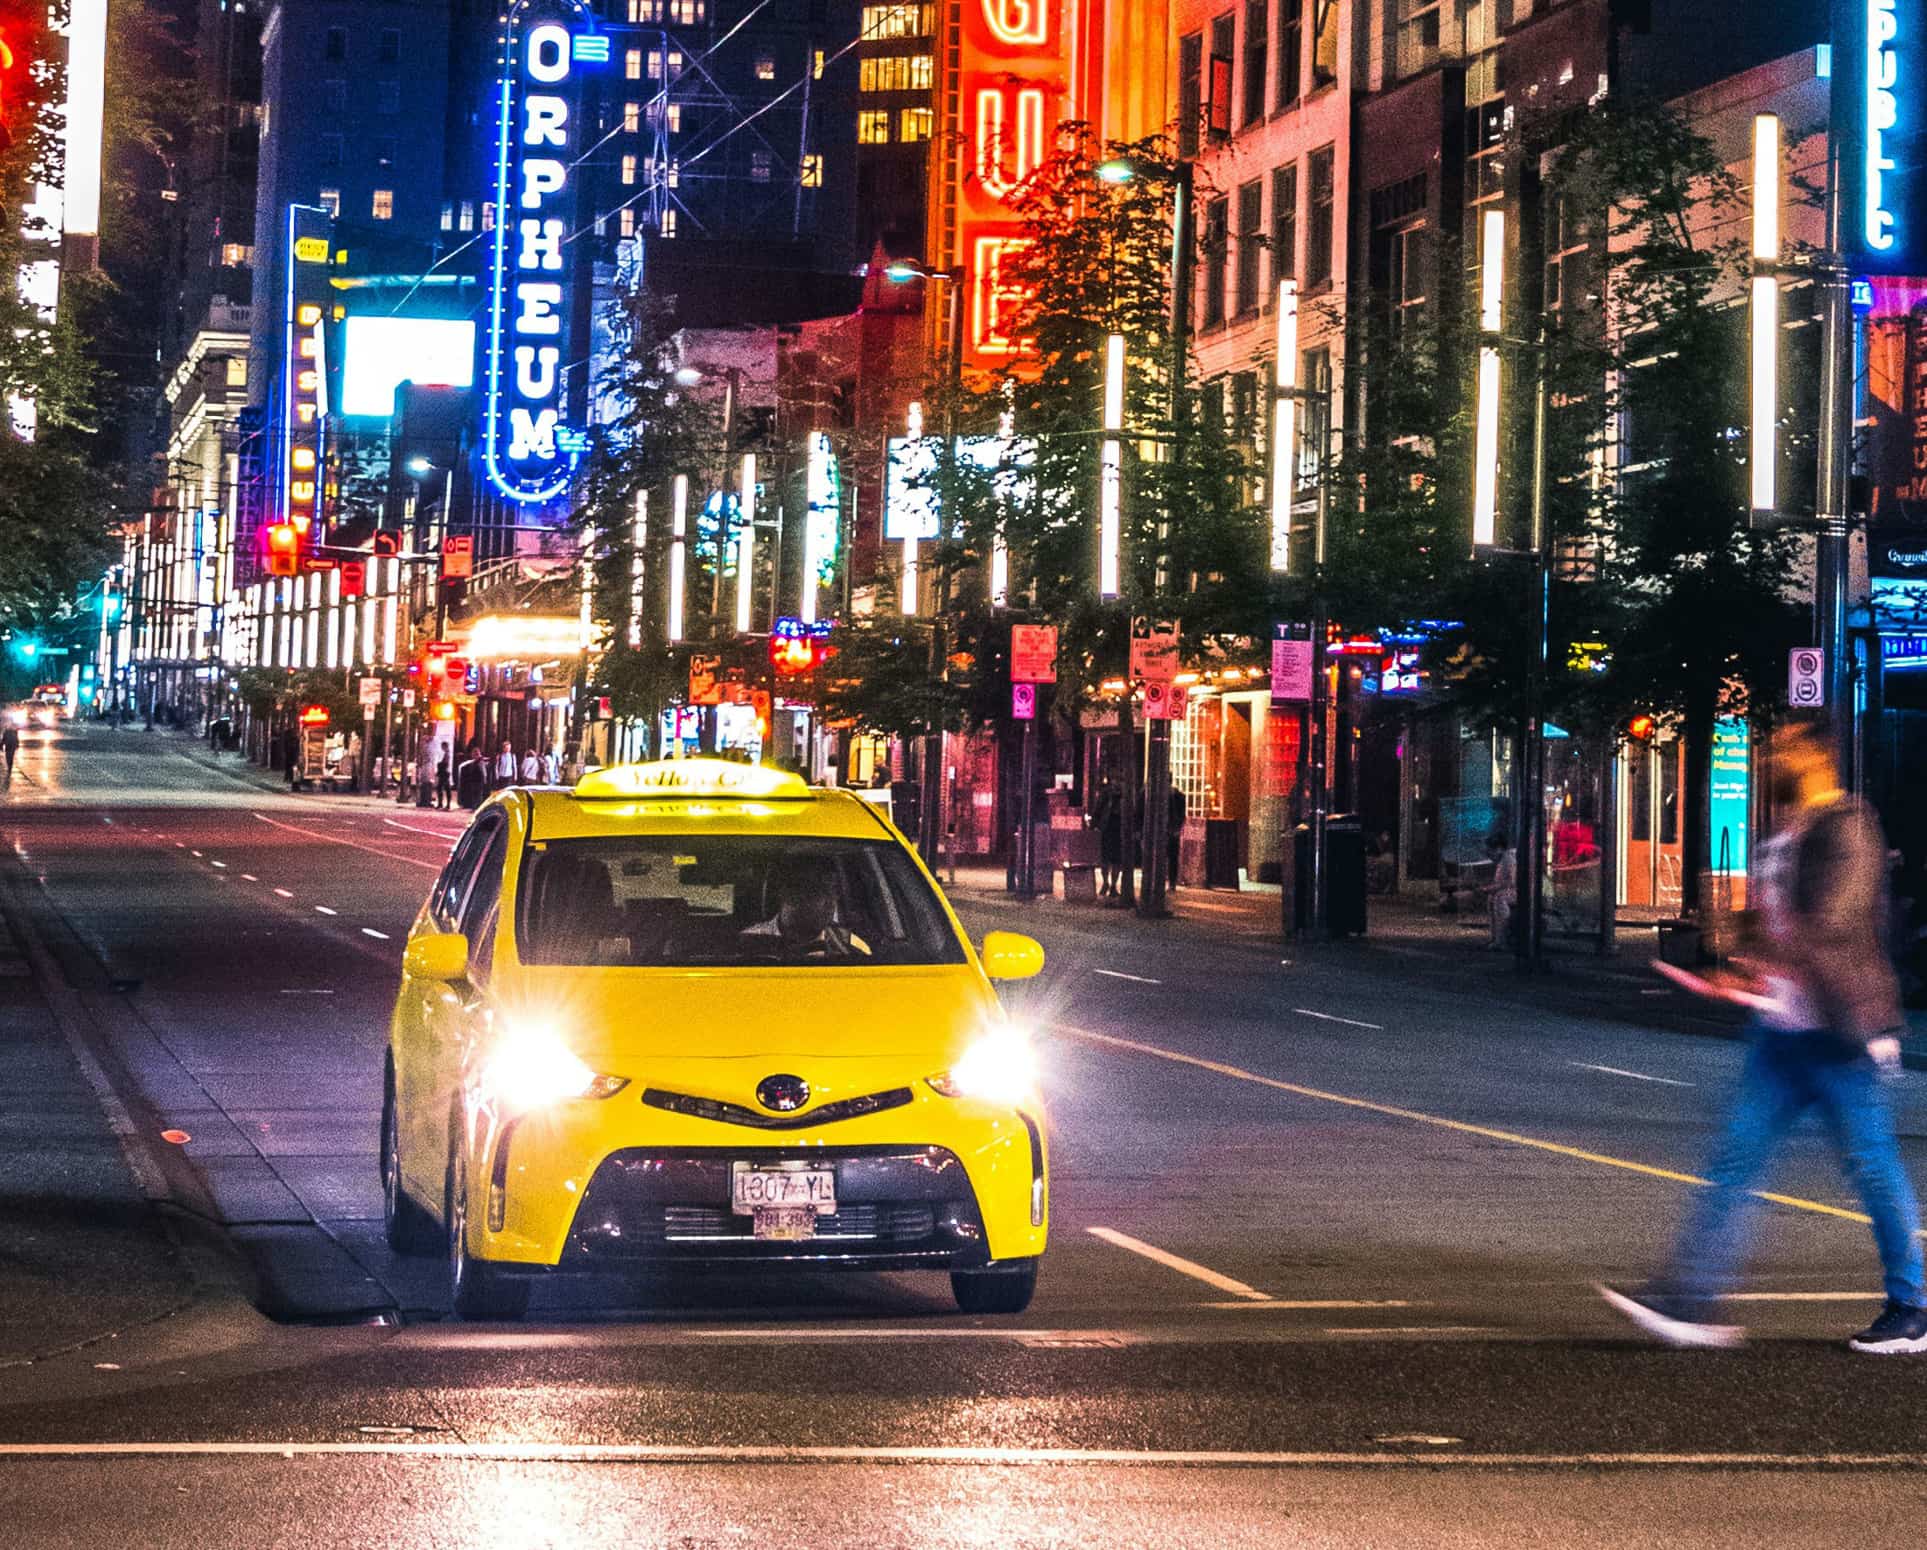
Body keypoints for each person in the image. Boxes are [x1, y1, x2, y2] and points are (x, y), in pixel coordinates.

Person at [1598, 721, 1926, 1354]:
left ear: (1817, 757)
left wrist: (1755, 968)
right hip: (1780, 1029)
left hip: (1838, 1032)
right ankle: (1689, 1301)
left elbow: (1830, 922)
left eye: (1786, 745)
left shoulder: (1847, 826)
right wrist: (1739, 961)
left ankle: (1911, 1307)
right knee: (1736, 1158)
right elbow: (1770, 916)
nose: (1773, 753)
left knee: (1871, 1166)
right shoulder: (1786, 828)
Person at [740, 854, 870, 958]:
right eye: (819, 890)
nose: (831, 900)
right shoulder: (748, 945)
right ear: (789, 894)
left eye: (834, 890)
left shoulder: (851, 947)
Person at [1484, 833, 1516, 951]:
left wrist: (1491, 888)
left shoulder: (1508, 859)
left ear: (1499, 848)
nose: (1488, 853)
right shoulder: (1503, 860)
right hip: (1509, 890)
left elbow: (1511, 882)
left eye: (1490, 849)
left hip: (1516, 891)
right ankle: (1495, 937)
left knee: (1499, 898)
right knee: (1492, 897)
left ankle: (1501, 940)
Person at [1092, 778, 1122, 899]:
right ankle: (1106, 883)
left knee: (1116, 860)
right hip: (1107, 828)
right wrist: (1095, 824)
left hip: (1118, 829)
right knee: (1105, 858)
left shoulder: (1125, 794)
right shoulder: (1106, 793)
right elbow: (1098, 809)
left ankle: (1113, 885)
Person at [455, 742, 488, 811]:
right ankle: (474, 807)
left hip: (478, 782)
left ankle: (477, 808)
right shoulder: (476, 761)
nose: (472, 756)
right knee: (475, 795)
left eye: (473, 754)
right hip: (474, 781)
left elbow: (483, 772)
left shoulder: (480, 762)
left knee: (478, 796)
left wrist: (484, 781)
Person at [1166, 783, 1186, 891]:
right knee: (1172, 857)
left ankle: (1171, 882)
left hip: (1171, 829)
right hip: (1172, 829)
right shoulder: (1179, 796)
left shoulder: (1178, 796)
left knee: (1171, 857)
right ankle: (1171, 882)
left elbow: (1181, 814)